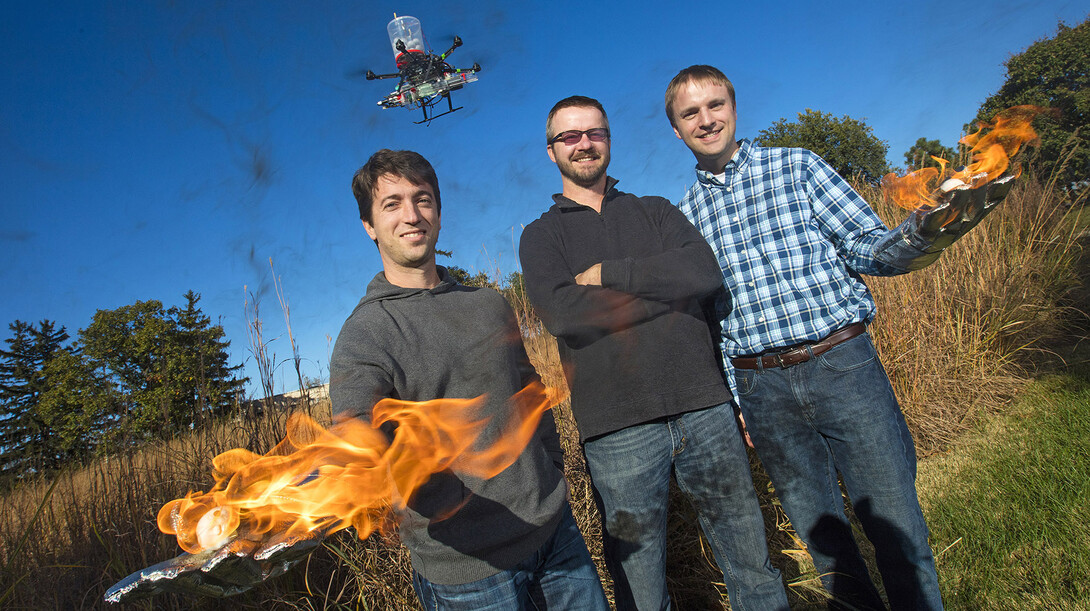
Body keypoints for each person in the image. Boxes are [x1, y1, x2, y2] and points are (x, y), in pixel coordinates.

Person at [665, 64, 945, 610]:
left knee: (893, 522)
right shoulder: (684, 218)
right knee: (827, 547)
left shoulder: (797, 166)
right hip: (762, 388)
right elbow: (711, 321)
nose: (706, 119)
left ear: (734, 108)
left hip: (841, 364)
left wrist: (922, 232)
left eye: (715, 105)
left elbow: (866, 248)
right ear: (677, 130)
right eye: (690, 113)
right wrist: (738, 401)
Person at [519, 96, 789, 611]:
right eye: (569, 136)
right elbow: (565, 314)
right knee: (641, 591)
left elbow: (703, 276)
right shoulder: (540, 237)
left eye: (594, 133)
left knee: (752, 565)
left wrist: (611, 277)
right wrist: (665, 294)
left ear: (609, 141)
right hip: (617, 431)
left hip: (704, 408)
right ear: (551, 151)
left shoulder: (657, 211)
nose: (583, 143)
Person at [330, 149, 609, 611]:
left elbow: (531, 392)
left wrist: (553, 472)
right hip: (468, 569)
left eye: (422, 199)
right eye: (392, 204)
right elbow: (355, 425)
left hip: (555, 535)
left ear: (438, 212)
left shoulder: (487, 304)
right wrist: (359, 455)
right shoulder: (367, 331)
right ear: (369, 226)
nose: (412, 215)